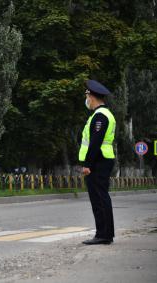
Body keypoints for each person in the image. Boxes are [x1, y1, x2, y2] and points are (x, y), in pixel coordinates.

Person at [79, 80, 116, 245]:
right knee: (100, 197)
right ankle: (104, 233)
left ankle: (104, 234)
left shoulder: (100, 116)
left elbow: (95, 142)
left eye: (86, 95)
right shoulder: (101, 114)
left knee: (99, 198)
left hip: (99, 161)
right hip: (101, 160)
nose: (86, 98)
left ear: (91, 97)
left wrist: (87, 164)